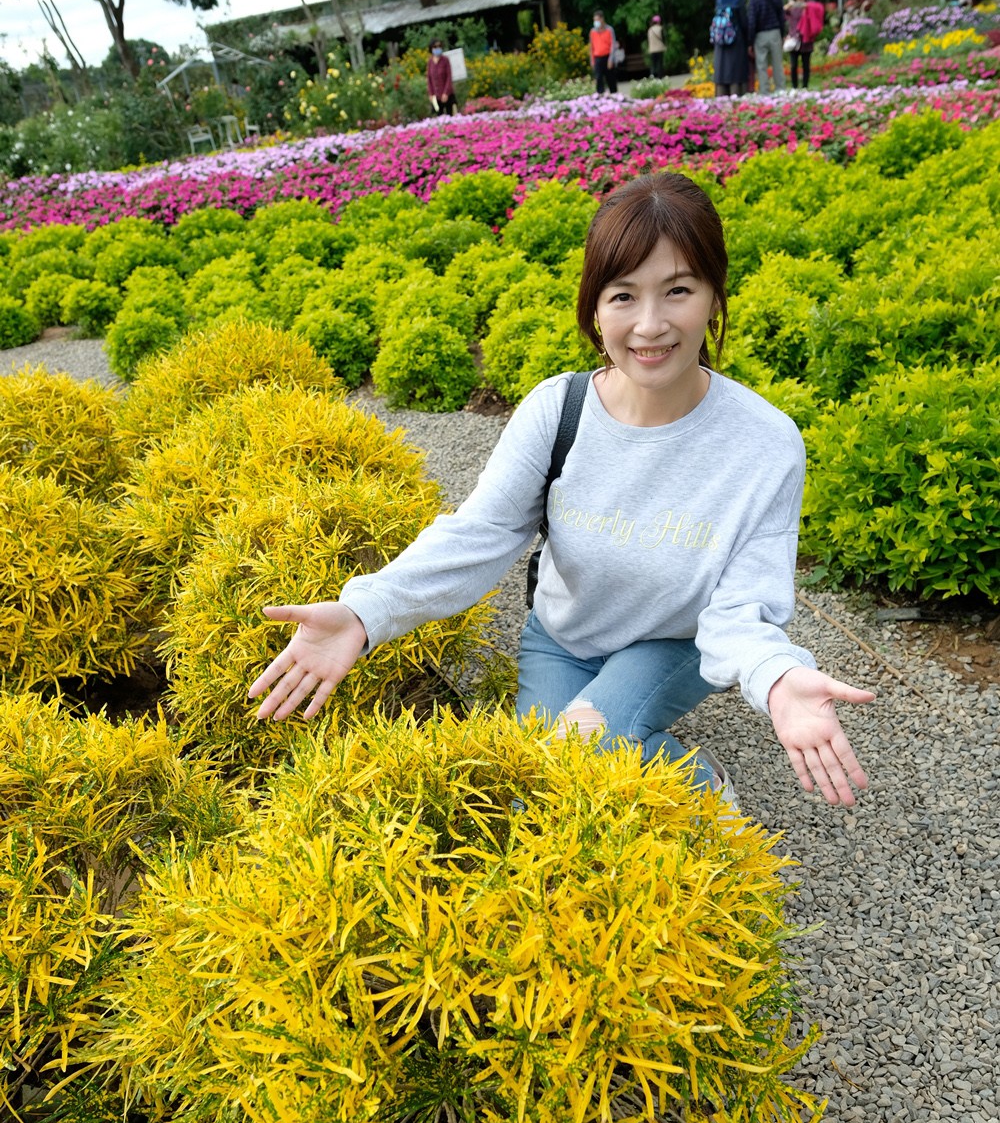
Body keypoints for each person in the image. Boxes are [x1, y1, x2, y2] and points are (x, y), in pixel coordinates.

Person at [249, 171, 874, 812]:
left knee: (585, 746)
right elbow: (481, 535)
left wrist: (776, 677)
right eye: (623, 296)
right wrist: (364, 611)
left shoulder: (764, 443)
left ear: (715, 297)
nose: (650, 324)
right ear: (594, 308)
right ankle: (655, 755)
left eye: (678, 290)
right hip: (563, 635)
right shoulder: (560, 409)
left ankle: (700, 786)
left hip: (675, 640)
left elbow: (741, 609)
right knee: (537, 784)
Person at [747, 0, 786, 94]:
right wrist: (783, 33)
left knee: (761, 66)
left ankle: (765, 93)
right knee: (777, 64)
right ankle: (780, 91)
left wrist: (750, 41)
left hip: (760, 35)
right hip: (775, 32)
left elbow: (751, 21)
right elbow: (781, 15)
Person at [712, 0, 750, 97]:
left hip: (720, 42)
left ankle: (721, 95)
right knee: (736, 72)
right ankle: (737, 95)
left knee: (722, 70)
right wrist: (749, 42)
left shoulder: (719, 1)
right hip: (736, 42)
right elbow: (744, 24)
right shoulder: (738, 1)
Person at [784, 0, 825, 89]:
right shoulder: (791, 6)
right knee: (793, 65)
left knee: (806, 64)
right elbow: (783, 16)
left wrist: (806, 6)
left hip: (806, 38)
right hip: (794, 38)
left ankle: (805, 86)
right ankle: (794, 87)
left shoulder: (810, 4)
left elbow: (819, 8)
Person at [589, 10, 618, 95]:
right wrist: (592, 60)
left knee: (611, 78)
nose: (596, 22)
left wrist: (611, 59)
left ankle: (615, 96)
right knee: (598, 78)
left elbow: (613, 45)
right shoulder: (593, 31)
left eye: (597, 20)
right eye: (594, 20)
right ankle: (600, 97)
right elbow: (591, 47)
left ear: (602, 19)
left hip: (608, 57)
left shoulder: (609, 30)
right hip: (597, 57)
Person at [427, 40, 455, 116]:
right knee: (438, 116)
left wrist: (445, 93)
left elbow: (449, 77)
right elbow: (429, 79)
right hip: (436, 96)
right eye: (435, 47)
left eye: (439, 46)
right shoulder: (430, 62)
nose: (437, 48)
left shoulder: (445, 60)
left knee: (450, 116)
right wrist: (431, 94)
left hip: (446, 94)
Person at [647, 14, 666, 80]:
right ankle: (660, 77)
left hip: (652, 49)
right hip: (659, 48)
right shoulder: (660, 28)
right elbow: (663, 38)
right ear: (658, 21)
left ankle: (652, 76)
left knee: (653, 63)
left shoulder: (650, 30)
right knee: (660, 63)